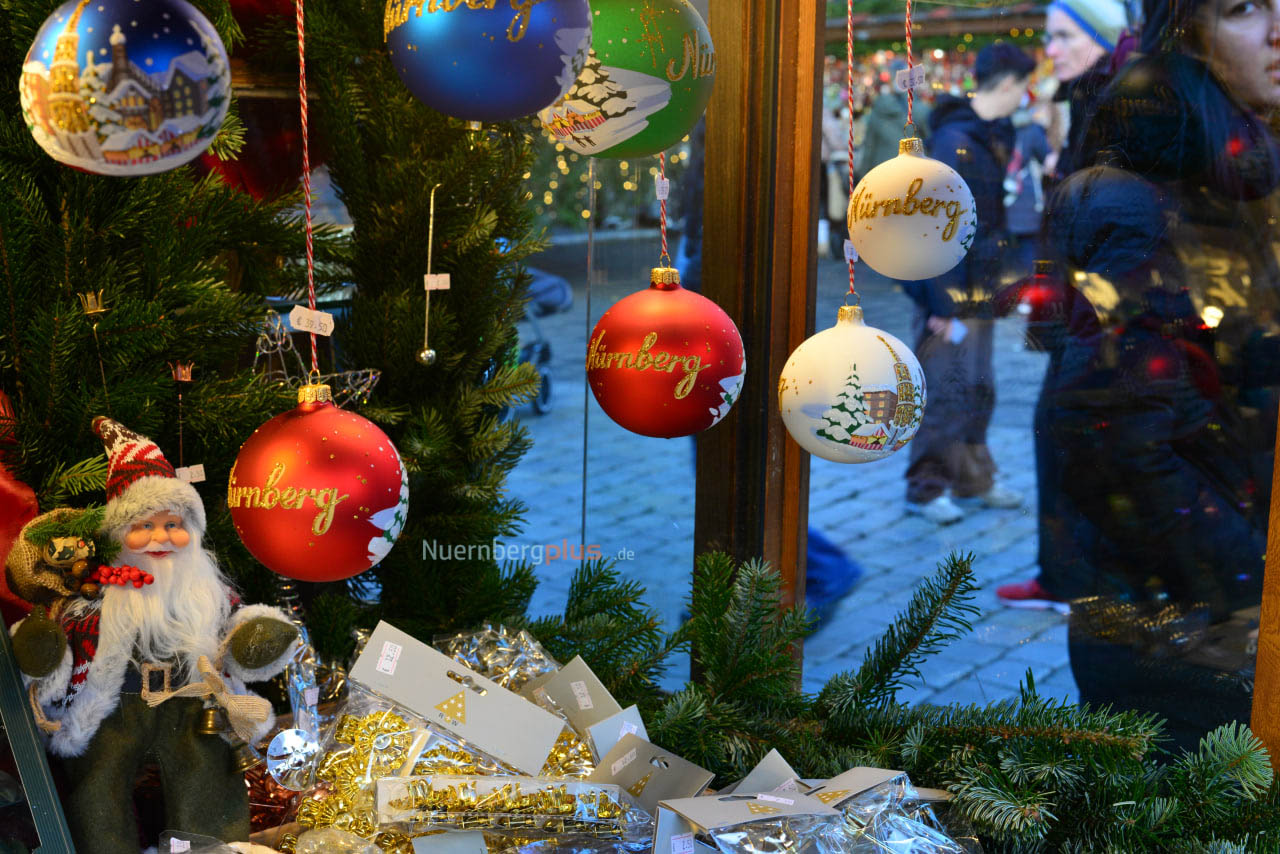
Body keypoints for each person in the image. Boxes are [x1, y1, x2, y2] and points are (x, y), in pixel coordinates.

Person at [1036, 0, 1280, 747]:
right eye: (1245, 8)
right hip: (1179, 640)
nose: (1279, 28)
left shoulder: (1239, 166)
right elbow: (1102, 427)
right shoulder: (1151, 189)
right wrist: (1245, 587)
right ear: (1189, 34)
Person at [10, 418, 300, 852]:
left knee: (206, 773)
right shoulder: (98, 591)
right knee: (97, 786)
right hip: (112, 712)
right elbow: (69, 633)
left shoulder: (204, 590)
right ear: (117, 534)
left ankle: (215, 847)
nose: (160, 538)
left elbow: (233, 625)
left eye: (173, 524)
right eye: (143, 526)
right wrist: (46, 650)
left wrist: (253, 638)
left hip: (188, 705)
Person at [996, 0, 1127, 609]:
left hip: (1099, 309)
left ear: (1100, 37)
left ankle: (1076, 578)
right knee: (1060, 433)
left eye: (1064, 35)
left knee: (1065, 432)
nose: (1053, 49)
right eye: (1049, 36)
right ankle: (1068, 575)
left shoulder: (1116, 98)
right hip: (1081, 301)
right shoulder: (1088, 95)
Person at [901, 44, 1036, 524]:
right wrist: (942, 302)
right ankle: (926, 487)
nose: (1026, 97)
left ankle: (974, 479)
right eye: (1024, 87)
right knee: (945, 390)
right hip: (950, 295)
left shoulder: (988, 134)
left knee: (977, 388)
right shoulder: (957, 139)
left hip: (976, 290)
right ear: (1007, 84)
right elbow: (934, 224)